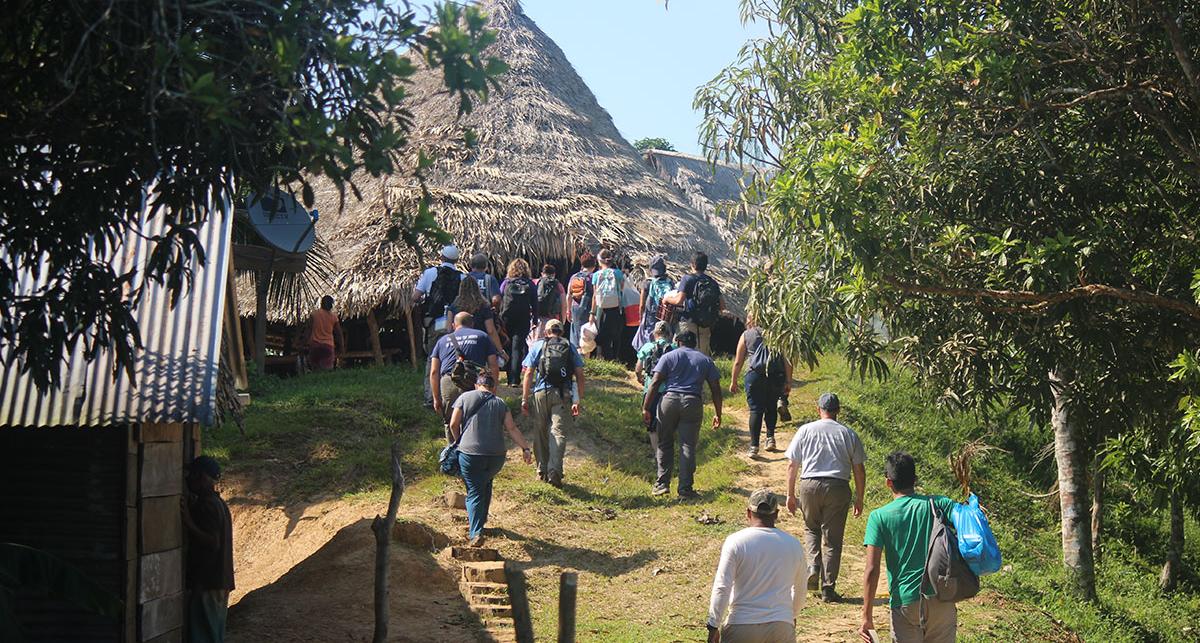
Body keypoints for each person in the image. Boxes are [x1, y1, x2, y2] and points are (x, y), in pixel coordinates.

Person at [859, 453, 959, 643]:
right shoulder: (939, 504)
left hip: (906, 602)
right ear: (915, 480)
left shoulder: (879, 517)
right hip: (942, 597)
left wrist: (867, 616)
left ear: (888, 482)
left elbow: (872, 569)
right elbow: (969, 522)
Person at [784, 393, 867, 603]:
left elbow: (792, 465)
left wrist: (790, 495)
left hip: (809, 485)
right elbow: (859, 469)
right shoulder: (848, 434)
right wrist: (859, 497)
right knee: (832, 539)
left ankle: (813, 566)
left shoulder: (805, 430)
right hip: (838, 486)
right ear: (838, 410)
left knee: (811, 527)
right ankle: (828, 588)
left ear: (818, 409)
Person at [707, 489, 808, 643]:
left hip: (741, 625)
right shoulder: (794, 544)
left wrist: (713, 625)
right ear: (776, 514)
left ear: (748, 513)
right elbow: (800, 589)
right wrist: (790, 616)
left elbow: (722, 587)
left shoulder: (736, 542)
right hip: (780, 626)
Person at [449, 372, 534, 547]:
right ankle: (482, 519)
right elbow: (511, 428)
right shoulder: (500, 403)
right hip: (496, 457)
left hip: (470, 455)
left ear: (476, 385)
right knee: (485, 483)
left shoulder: (465, 397)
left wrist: (458, 442)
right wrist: (525, 448)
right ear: (494, 388)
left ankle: (476, 532)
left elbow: (453, 424)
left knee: (474, 491)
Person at [643, 330, 722, 499]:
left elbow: (655, 382)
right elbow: (715, 388)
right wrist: (718, 413)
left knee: (664, 443)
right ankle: (685, 489)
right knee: (687, 445)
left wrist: (646, 407)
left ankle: (662, 484)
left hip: (669, 401)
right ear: (694, 343)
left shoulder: (669, 357)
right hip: (692, 402)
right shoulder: (705, 360)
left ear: (678, 342)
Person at [521, 319, 585, 487]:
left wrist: (524, 398)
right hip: (563, 394)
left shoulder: (538, 346)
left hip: (541, 393)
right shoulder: (569, 346)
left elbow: (528, 373)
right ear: (561, 332)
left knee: (540, 432)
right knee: (557, 432)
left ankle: (541, 470)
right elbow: (580, 374)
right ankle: (554, 470)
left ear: (546, 332)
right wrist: (578, 399)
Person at [182, 455, 234, 643]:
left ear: (202, 477)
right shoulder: (218, 503)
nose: (188, 479)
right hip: (217, 581)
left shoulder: (208, 505)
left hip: (209, 582)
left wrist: (188, 523)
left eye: (192, 474)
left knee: (203, 635)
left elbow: (213, 542)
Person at [430, 312, 500, 439]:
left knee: (450, 421)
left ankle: (453, 452)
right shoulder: (482, 336)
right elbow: (493, 365)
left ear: (453, 325)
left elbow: (434, 371)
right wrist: (493, 388)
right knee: (475, 419)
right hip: (475, 381)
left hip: (449, 381)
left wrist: (436, 398)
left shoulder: (442, 341)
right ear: (472, 324)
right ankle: (474, 451)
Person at [729, 318, 792, 457]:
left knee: (756, 410)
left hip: (755, 376)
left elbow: (738, 361)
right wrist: (788, 380)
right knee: (771, 406)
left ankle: (754, 446)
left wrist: (733, 381)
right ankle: (770, 439)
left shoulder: (746, 334)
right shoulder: (778, 334)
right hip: (775, 376)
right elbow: (787, 359)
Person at [414, 245, 464, 406]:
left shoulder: (430, 273)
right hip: (455, 325)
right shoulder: (462, 277)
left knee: (433, 359)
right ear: (456, 260)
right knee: (456, 358)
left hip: (434, 323)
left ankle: (430, 396)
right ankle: (454, 394)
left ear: (441, 257)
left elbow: (416, 296)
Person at [665, 252, 723, 356]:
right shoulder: (712, 282)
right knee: (701, 356)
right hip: (705, 325)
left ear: (693, 264)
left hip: (688, 323)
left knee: (681, 355)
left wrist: (667, 299)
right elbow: (722, 306)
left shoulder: (687, 279)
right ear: (705, 266)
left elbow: (679, 300)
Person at [635, 320, 675, 453]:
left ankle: (657, 453)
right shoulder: (674, 348)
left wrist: (640, 378)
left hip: (650, 390)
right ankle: (666, 451)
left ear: (654, 333)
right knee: (666, 423)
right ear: (669, 334)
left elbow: (638, 368)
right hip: (669, 392)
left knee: (651, 425)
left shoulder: (647, 347)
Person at [499, 258, 537, 386]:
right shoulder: (530, 284)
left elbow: (499, 299)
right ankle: (514, 379)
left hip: (507, 318)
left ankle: (508, 374)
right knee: (517, 347)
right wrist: (535, 319)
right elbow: (535, 303)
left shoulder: (506, 283)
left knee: (507, 346)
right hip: (523, 318)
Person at [453, 276, 507, 360]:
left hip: (458, 343)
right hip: (479, 342)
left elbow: (448, 327)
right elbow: (491, 330)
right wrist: (501, 351)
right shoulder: (484, 305)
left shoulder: (455, 305)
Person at [589, 249, 626, 361]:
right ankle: (615, 358)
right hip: (616, 307)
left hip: (601, 308)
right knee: (615, 334)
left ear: (599, 261)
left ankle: (602, 359)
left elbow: (595, 295)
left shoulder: (596, 275)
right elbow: (621, 289)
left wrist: (592, 312)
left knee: (601, 333)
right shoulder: (618, 273)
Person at [633, 255, 675, 349]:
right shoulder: (670, 282)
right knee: (664, 336)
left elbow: (642, 305)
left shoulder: (647, 283)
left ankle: (649, 358)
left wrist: (641, 319)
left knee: (650, 338)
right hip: (664, 314)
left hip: (651, 315)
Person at [305, 295, 345, 372]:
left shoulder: (314, 315)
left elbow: (308, 330)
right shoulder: (334, 317)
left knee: (315, 370)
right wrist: (342, 347)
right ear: (331, 305)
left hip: (315, 345)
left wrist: (304, 342)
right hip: (328, 346)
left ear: (321, 303)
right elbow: (339, 334)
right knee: (327, 371)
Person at [567, 251, 597, 349]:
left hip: (575, 307)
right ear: (594, 264)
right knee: (587, 336)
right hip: (588, 307)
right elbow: (595, 295)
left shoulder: (574, 276)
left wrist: (568, 310)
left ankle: (576, 356)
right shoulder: (592, 277)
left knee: (575, 334)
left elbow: (569, 295)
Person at [532, 263, 569, 340]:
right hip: (552, 319)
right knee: (551, 342)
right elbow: (564, 305)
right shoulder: (558, 285)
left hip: (537, 318)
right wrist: (562, 321)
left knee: (535, 342)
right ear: (554, 274)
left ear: (542, 274)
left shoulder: (535, 283)